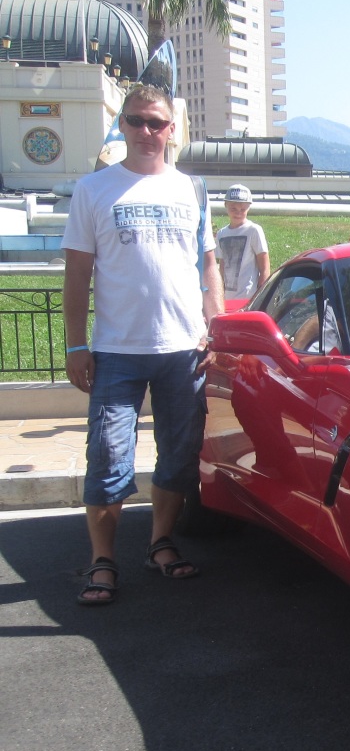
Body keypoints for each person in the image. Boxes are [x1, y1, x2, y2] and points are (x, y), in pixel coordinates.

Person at [61, 82, 223, 606]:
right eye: (136, 121)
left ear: (171, 128)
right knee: (108, 456)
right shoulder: (93, 190)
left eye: (156, 122)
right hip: (115, 351)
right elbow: (77, 273)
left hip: (183, 349)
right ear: (123, 126)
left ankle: (160, 543)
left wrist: (214, 329)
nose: (147, 131)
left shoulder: (192, 190)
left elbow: (208, 266)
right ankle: (102, 560)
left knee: (178, 455)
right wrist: (74, 346)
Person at [215, 183, 270, 299]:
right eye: (233, 208)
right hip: (227, 298)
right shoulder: (221, 234)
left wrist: (261, 296)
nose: (238, 212)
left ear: (248, 208)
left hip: (248, 296)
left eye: (242, 209)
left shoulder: (254, 230)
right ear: (226, 205)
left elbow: (264, 267)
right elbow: (222, 266)